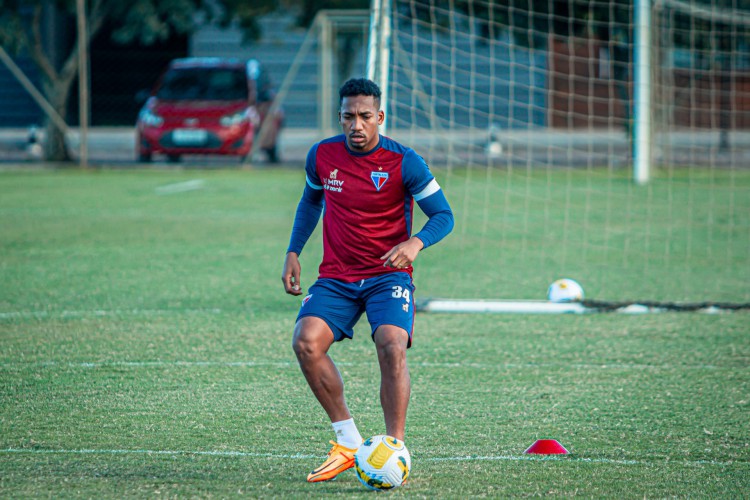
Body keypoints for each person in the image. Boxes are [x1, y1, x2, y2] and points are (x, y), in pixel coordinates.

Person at [281, 78, 454, 483]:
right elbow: (310, 200)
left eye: (364, 116)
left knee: (391, 343)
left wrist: (415, 243)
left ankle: (394, 447)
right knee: (305, 342)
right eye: (348, 116)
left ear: (379, 117)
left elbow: (443, 215)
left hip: (387, 275)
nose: (356, 125)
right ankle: (347, 439)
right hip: (338, 276)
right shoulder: (322, 155)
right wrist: (294, 250)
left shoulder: (405, 161)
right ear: (339, 117)